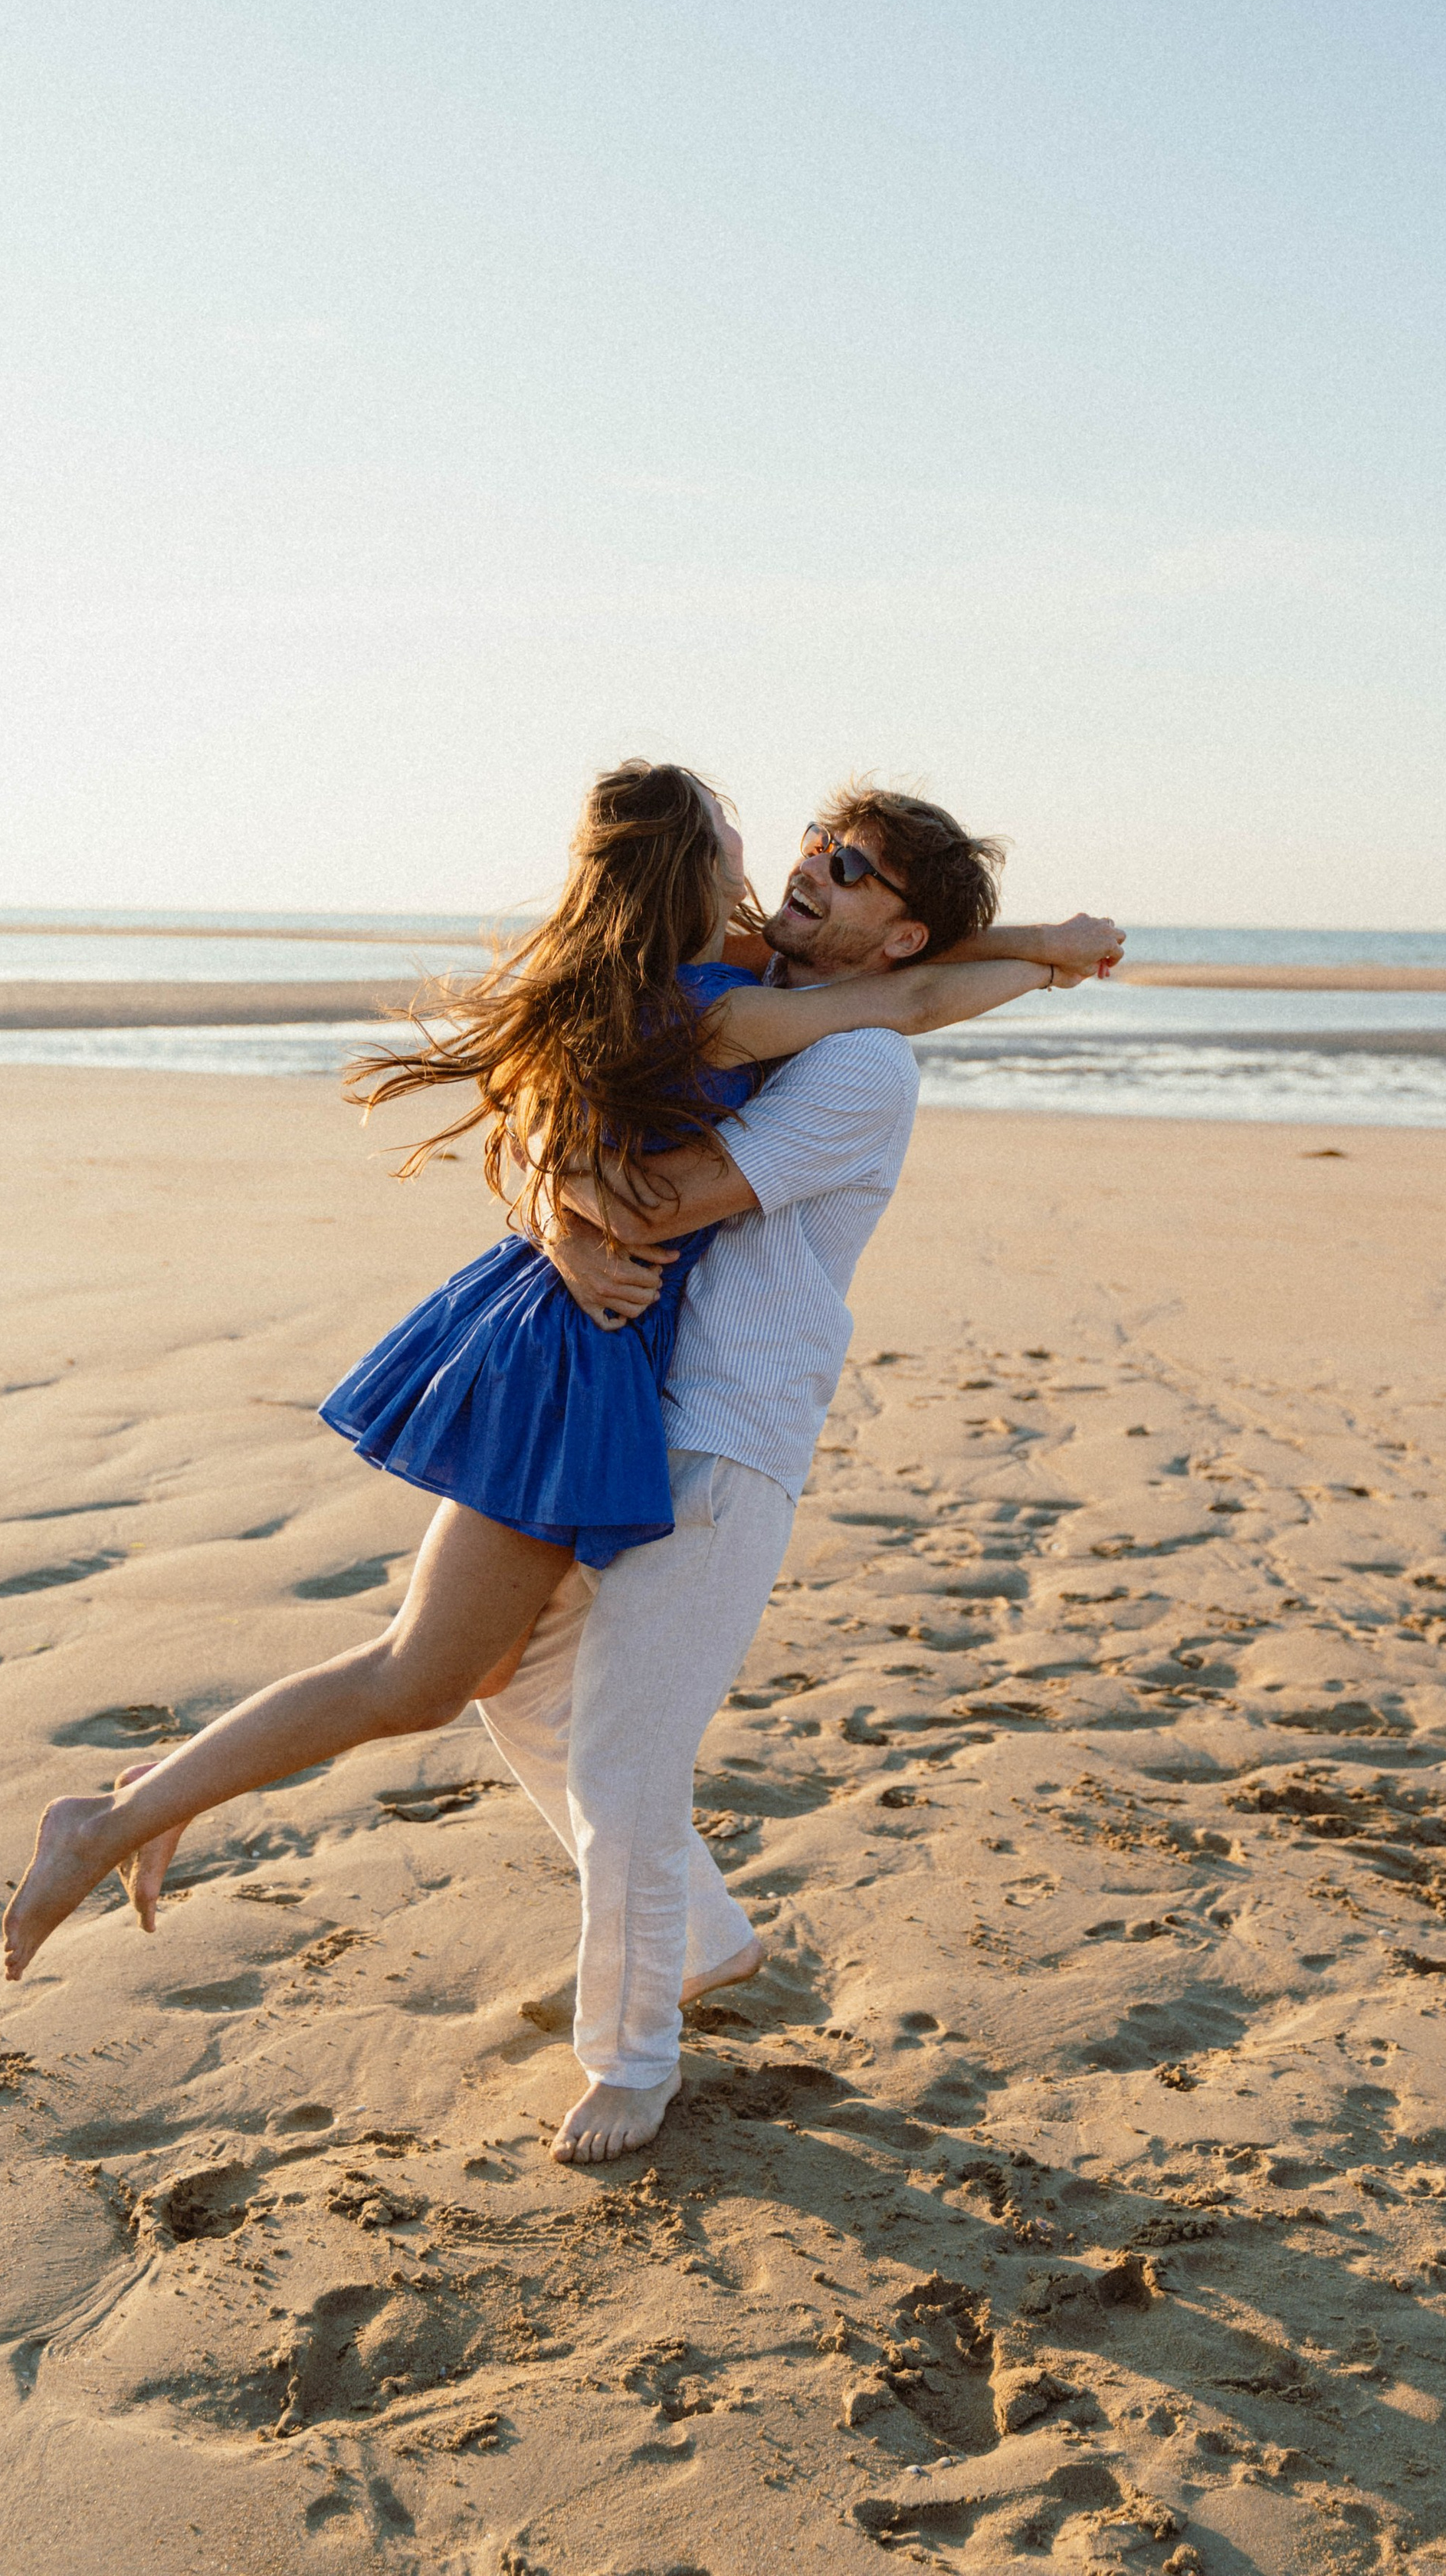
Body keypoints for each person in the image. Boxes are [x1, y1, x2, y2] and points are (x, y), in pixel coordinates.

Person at [0, 765, 1119, 1991]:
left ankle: (160, 1804)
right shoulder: (713, 1010)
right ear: (693, 883)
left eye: (828, 858)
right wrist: (1046, 962)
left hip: (576, 1339)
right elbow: (906, 998)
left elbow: (902, 977)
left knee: (459, 1674)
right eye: (765, 847)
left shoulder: (689, 974)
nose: (787, 867)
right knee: (421, 1675)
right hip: (569, 1355)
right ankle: (113, 1820)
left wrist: (1047, 946)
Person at [464, 783, 1124, 2161]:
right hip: (637, 1411)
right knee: (515, 1684)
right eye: (817, 848)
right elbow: (554, 1119)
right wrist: (552, 1207)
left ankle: (634, 2060)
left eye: (857, 869)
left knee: (625, 1763)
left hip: (727, 1424)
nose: (813, 872)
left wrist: (578, 1215)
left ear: (901, 936)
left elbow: (666, 1194)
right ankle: (694, 1939)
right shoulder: (752, 985)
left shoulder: (860, 1065)